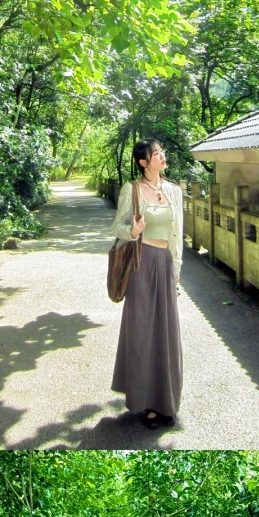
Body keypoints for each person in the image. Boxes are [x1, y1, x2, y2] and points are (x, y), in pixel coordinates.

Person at [110, 139, 184, 428]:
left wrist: (176, 271)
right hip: (141, 264)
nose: (161, 155)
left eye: (161, 151)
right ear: (144, 162)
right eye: (155, 153)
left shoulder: (174, 191)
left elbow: (178, 234)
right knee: (142, 332)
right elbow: (116, 226)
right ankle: (146, 404)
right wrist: (132, 230)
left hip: (165, 264)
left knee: (166, 334)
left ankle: (166, 403)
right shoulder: (132, 190)